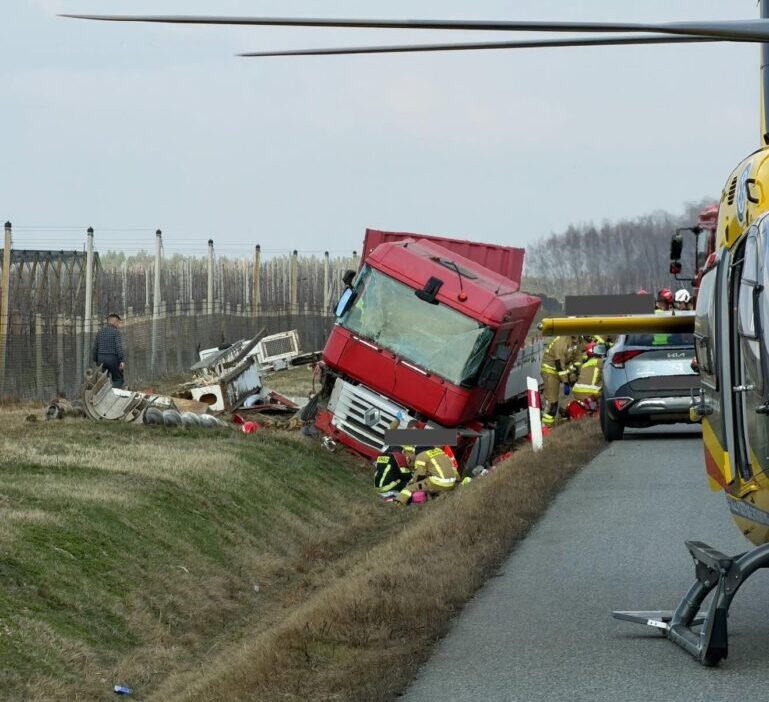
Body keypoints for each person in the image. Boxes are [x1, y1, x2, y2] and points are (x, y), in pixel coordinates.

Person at [395, 446, 460, 505]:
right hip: (452, 483)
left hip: (438, 483)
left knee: (409, 489)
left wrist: (411, 483)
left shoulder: (421, 456)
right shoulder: (439, 451)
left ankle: (397, 504)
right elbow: (451, 467)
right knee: (428, 484)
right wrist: (458, 481)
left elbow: (419, 475)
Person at [540, 335, 579, 427]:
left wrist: (576, 372)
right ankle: (546, 427)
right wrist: (566, 382)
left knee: (559, 401)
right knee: (552, 402)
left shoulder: (577, 340)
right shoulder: (561, 342)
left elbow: (578, 359)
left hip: (561, 370)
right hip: (550, 371)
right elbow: (559, 365)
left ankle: (554, 422)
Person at [91, 313, 126, 388]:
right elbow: (118, 347)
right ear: (115, 322)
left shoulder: (100, 332)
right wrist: (121, 360)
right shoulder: (116, 332)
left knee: (103, 380)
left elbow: (95, 348)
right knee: (118, 379)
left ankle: (104, 396)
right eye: (118, 322)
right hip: (113, 359)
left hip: (101, 359)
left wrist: (96, 360)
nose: (118, 325)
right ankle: (116, 396)